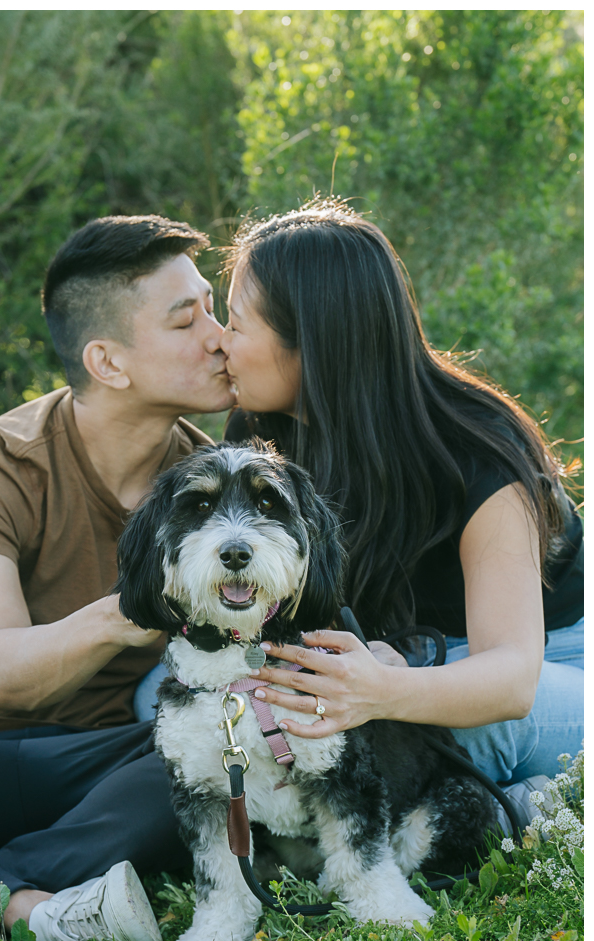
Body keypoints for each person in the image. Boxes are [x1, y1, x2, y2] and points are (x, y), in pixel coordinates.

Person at [0, 214, 237, 941]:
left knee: (212, 743)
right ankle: (20, 908)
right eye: (187, 319)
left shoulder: (215, 486)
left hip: (106, 774)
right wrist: (127, 613)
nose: (219, 334)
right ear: (108, 362)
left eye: (214, 306)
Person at [216, 199, 583, 820]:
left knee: (460, 728)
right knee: (162, 697)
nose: (219, 344)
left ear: (311, 340)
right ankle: (512, 809)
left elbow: (513, 677)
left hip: (549, 657)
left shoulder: (478, 451)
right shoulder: (259, 436)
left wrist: (388, 687)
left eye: (235, 324)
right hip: (405, 659)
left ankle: (506, 811)